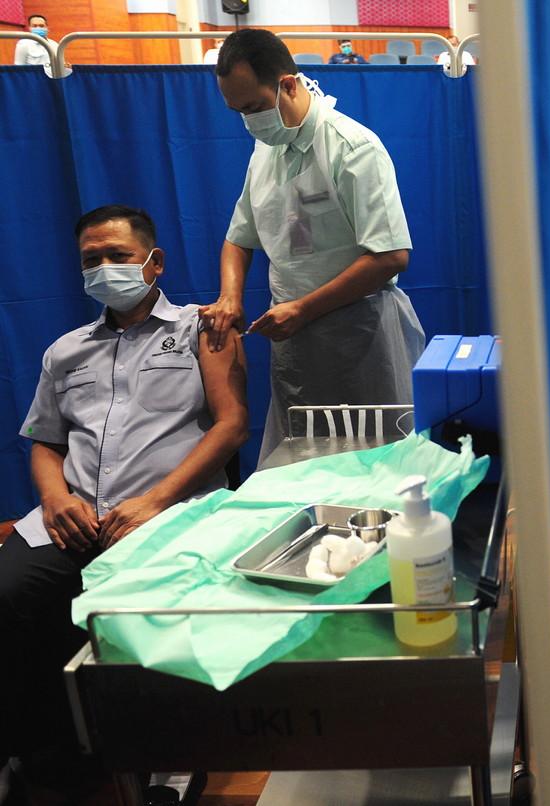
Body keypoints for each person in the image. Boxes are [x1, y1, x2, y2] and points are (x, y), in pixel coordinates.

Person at [0, 205, 249, 797]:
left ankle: (173, 763)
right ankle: (37, 750)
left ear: (153, 263)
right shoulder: (64, 351)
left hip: (169, 516)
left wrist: (156, 502)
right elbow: (44, 442)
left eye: (117, 256)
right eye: (92, 260)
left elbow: (231, 425)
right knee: (7, 596)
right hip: (74, 516)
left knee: (148, 609)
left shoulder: (202, 327)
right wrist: (55, 498)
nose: (104, 268)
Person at [204, 29, 425, 459]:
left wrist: (304, 309)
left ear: (288, 84)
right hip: (293, 335)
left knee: (373, 460)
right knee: (302, 459)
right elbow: (238, 236)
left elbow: (390, 255)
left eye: (253, 107)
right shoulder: (266, 150)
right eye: (238, 112)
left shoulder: (352, 147)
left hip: (359, 333)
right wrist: (229, 296)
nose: (249, 122)